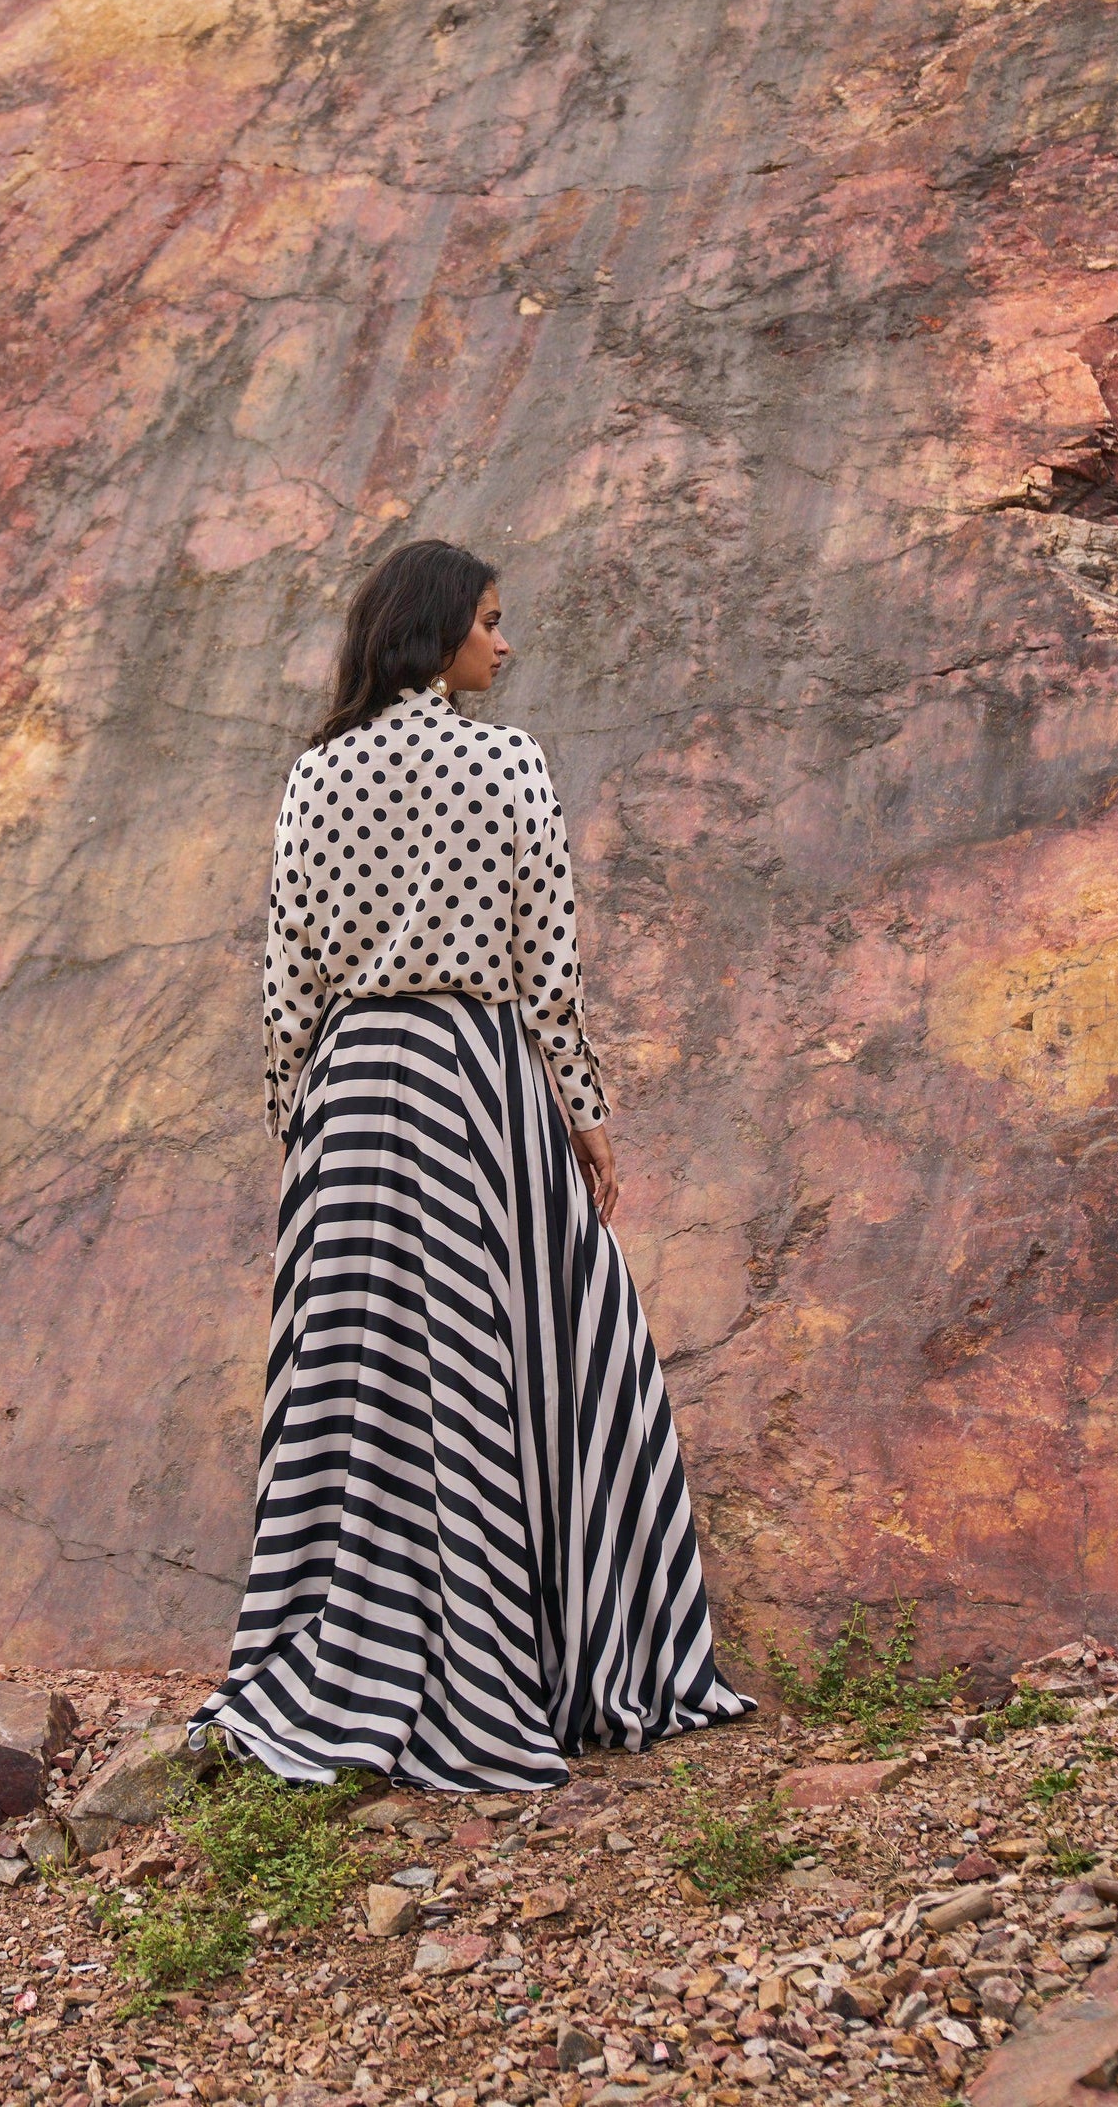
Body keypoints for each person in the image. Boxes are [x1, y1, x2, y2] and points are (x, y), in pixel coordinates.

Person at [190, 539, 750, 1792]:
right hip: (474, 1087)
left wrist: (297, 1131)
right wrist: (584, 1114)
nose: (505, 642)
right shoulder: (506, 762)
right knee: (551, 1362)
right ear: (436, 631)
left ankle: (349, 1655)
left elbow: (286, 979)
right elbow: (545, 964)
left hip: (350, 1098)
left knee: (362, 1390)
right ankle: (547, 1660)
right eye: (490, 621)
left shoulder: (316, 772)